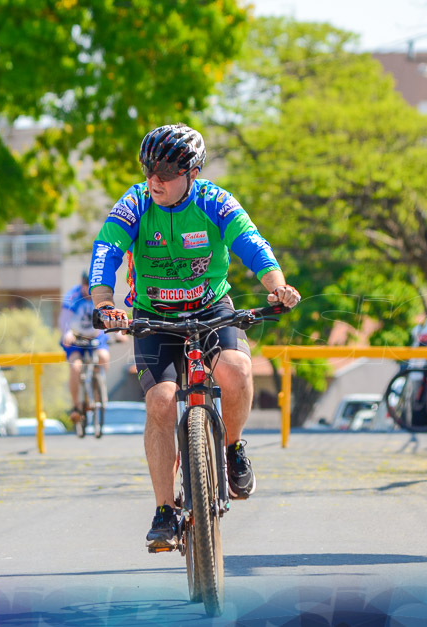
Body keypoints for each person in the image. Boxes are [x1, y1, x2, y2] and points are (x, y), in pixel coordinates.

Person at [87, 123, 301, 551]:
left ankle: (234, 447)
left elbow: (252, 243)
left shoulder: (215, 202)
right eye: (149, 169)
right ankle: (165, 509)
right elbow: (106, 250)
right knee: (161, 402)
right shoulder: (135, 202)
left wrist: (276, 286)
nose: (155, 180)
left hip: (211, 308)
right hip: (155, 315)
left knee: (237, 369)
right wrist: (105, 303)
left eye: (167, 170)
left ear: (193, 172)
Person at [59, 270, 112, 425]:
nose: (89, 291)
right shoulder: (73, 296)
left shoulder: (101, 295)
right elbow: (64, 318)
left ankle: (98, 384)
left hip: (95, 335)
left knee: (103, 357)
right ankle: (76, 406)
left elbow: (110, 314)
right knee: (75, 367)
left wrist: (119, 334)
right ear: (82, 284)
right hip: (76, 337)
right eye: (86, 286)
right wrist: (67, 333)